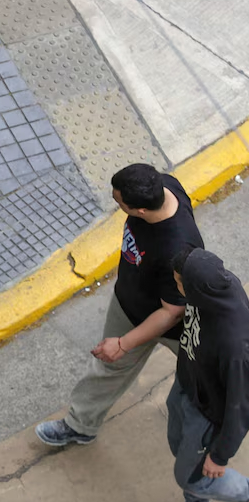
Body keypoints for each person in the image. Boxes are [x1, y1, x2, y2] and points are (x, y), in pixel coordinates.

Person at [35, 163, 204, 446]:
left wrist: (124, 343)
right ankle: (80, 425)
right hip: (130, 304)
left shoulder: (177, 248)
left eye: (119, 202)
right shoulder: (163, 185)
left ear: (141, 211)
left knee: (214, 376)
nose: (116, 205)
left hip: (181, 327)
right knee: (108, 367)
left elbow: (173, 312)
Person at [167, 247, 249, 501]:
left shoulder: (236, 347)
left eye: (179, 282)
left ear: (194, 287)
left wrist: (219, 456)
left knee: (190, 477)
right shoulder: (212, 289)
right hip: (188, 384)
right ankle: (196, 493)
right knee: (177, 443)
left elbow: (241, 406)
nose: (175, 286)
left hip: (207, 413)